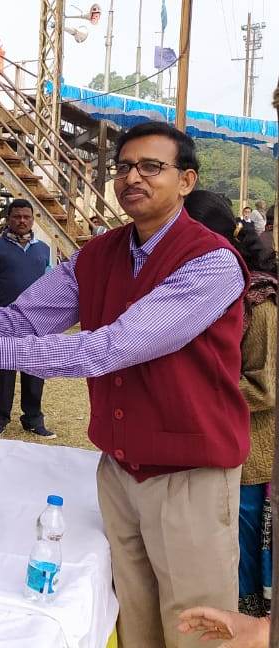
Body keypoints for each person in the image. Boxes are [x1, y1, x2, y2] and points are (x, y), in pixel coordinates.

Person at [0, 121, 250, 648]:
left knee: (197, 628)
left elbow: (110, 348)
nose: (132, 178)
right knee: (133, 619)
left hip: (190, 475)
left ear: (186, 180)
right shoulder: (98, 254)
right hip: (119, 470)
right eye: (123, 167)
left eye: (151, 167)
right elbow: (25, 321)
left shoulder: (211, 262)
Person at [186, 189, 277, 617]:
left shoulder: (261, 303)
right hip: (214, 440)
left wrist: (195, 390)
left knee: (241, 547)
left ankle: (246, 624)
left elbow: (264, 387)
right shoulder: (213, 290)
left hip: (250, 453)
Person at [0, 198, 54, 440]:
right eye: (17, 216)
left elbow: (51, 285)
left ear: (32, 220)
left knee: (35, 371)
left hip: (35, 321)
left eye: (26, 217)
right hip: (3, 319)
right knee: (3, 371)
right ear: (8, 219)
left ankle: (33, 419)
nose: (22, 221)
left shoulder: (44, 250)